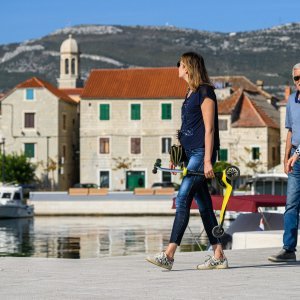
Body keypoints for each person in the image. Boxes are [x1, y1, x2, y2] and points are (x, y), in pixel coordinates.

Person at [146, 52, 227, 270]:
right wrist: (178, 155)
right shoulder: (189, 93)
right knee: (205, 207)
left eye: (180, 64)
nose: (177, 67)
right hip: (191, 154)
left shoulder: (205, 91)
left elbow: (209, 129)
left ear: (189, 68)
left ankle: (169, 255)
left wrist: (208, 161)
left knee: (182, 198)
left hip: (202, 154)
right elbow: (189, 128)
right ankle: (218, 254)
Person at [268, 63, 300, 262]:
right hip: (295, 161)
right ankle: (288, 249)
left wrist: (296, 154)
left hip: (298, 156)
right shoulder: (291, 100)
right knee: (291, 206)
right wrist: (285, 155)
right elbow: (289, 130)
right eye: (296, 78)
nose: (299, 81)